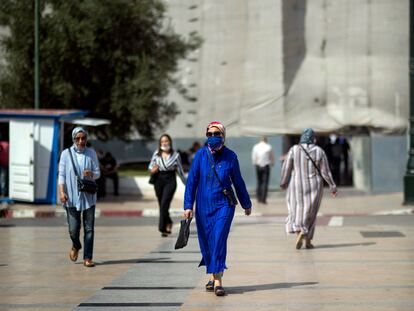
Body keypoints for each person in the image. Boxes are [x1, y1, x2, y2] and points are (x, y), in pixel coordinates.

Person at [184, 121, 252, 297]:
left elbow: (238, 181)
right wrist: (187, 205)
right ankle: (213, 275)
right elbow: (192, 181)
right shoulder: (200, 155)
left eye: (217, 134)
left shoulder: (231, 156)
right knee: (207, 241)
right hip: (203, 206)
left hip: (224, 205)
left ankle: (218, 282)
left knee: (219, 238)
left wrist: (246, 203)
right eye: (210, 134)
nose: (213, 137)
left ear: (223, 136)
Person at [280, 128, 337, 250]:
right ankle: (308, 240)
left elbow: (286, 168)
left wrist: (283, 182)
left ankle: (300, 232)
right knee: (311, 212)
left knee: (297, 210)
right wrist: (332, 186)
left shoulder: (294, 149)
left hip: (296, 184)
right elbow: (325, 172)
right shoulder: (319, 151)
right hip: (314, 185)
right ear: (313, 138)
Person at [58, 127, 100, 267]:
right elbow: (62, 175)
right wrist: (62, 192)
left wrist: (91, 174)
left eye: (83, 138)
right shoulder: (66, 154)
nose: (81, 141)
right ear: (73, 139)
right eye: (78, 138)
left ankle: (88, 258)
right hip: (71, 196)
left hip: (88, 196)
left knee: (89, 229)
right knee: (73, 229)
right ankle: (76, 245)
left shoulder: (91, 152)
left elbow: (98, 173)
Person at [149, 134, 186, 237]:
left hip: (170, 181)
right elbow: (150, 166)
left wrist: (188, 184)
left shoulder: (176, 155)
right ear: (160, 143)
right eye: (162, 142)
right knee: (162, 205)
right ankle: (168, 221)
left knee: (165, 203)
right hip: (158, 180)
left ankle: (162, 228)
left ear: (170, 142)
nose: (164, 143)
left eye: (166, 141)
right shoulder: (156, 154)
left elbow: (181, 172)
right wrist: (152, 169)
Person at [251, 136, 274, 204]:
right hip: (266, 165)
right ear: (266, 140)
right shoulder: (269, 147)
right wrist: (272, 163)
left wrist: (254, 163)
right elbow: (272, 156)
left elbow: (254, 156)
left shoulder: (256, 147)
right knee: (265, 182)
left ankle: (258, 197)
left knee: (259, 181)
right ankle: (263, 199)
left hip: (258, 165)